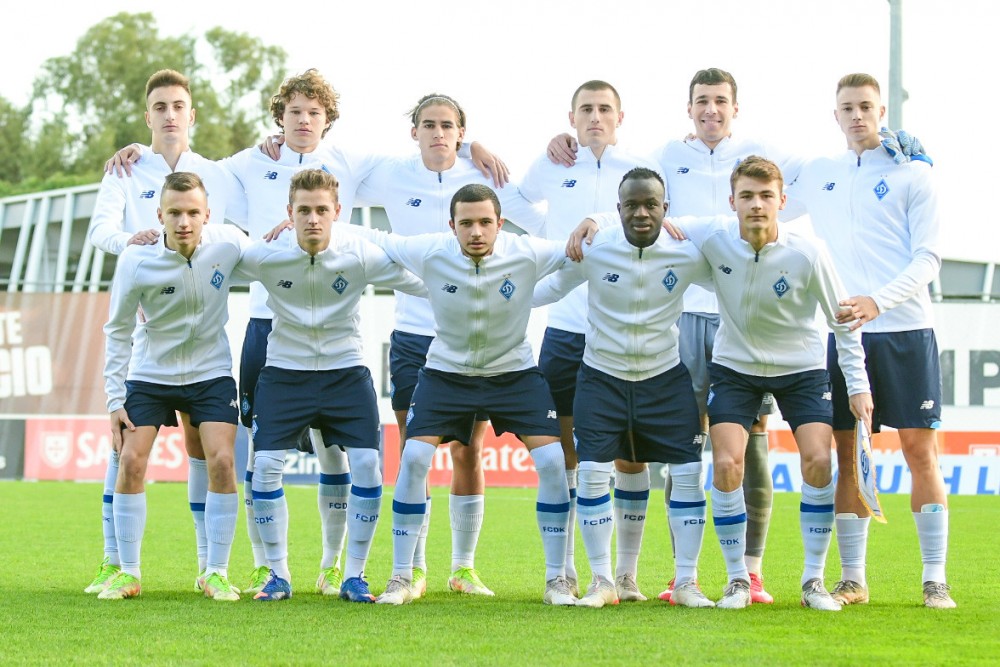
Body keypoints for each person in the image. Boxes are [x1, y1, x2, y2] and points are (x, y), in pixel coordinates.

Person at [548, 67, 796, 604]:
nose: (711, 109)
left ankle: (729, 573)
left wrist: (889, 147)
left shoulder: (758, 157)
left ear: (735, 107)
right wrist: (593, 216)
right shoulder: (662, 160)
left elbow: (813, 182)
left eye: (720, 101)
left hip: (720, 334)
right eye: (702, 100)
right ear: (689, 107)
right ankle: (617, 578)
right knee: (615, 466)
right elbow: (628, 189)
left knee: (736, 447)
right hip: (654, 341)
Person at [341, 184, 574, 605]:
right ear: (452, 226)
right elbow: (379, 238)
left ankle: (557, 579)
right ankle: (401, 576)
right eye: (466, 223)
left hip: (514, 374)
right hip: (446, 374)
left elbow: (579, 249)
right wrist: (320, 225)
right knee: (414, 457)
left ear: (501, 224)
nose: (476, 232)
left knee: (553, 461)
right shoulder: (432, 250)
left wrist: (595, 223)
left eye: (485, 222)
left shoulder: (527, 251)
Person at [351, 93, 545, 597]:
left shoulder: (483, 175)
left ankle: (463, 567)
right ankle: (412, 568)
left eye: (448, 125)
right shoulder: (391, 173)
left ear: (462, 132)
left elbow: (539, 224)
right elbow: (333, 176)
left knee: (468, 450)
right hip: (415, 336)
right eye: (428, 124)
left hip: (475, 340)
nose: (438, 133)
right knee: (415, 450)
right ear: (413, 131)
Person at [664, 156, 873, 610]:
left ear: (782, 200)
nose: (756, 204)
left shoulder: (807, 252)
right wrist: (594, 222)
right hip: (735, 367)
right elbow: (651, 219)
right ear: (732, 202)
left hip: (800, 370)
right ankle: (738, 580)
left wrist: (859, 386)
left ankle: (813, 581)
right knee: (726, 464)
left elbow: (842, 320)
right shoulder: (715, 238)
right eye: (747, 196)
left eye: (765, 196)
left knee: (819, 460)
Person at [784, 73, 953, 609]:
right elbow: (758, 196)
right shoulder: (819, 173)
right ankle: (853, 578)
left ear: (882, 112)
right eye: (847, 108)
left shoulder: (913, 172)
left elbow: (929, 258)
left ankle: (935, 579)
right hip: (846, 336)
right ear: (834, 115)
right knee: (850, 455)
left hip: (906, 331)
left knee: (920, 452)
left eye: (865, 106)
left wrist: (879, 300)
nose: (856, 115)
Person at [84, 69, 243, 596]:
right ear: (148, 116)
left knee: (209, 453)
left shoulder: (218, 173)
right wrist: (138, 244)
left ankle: (210, 566)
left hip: (204, 350)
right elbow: (101, 230)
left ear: (191, 115)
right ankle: (116, 563)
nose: (170, 114)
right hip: (148, 317)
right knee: (125, 455)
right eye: (160, 106)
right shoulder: (126, 169)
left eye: (178, 106)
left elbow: (251, 222)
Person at [234, 169, 426, 603]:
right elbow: (209, 260)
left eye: (322, 210)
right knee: (264, 466)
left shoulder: (359, 254)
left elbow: (421, 282)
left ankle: (353, 576)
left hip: (346, 373)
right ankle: (278, 575)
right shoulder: (267, 255)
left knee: (367, 466)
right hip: (284, 373)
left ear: (337, 211)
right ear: (289, 213)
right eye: (304, 210)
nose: (313, 219)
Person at [532, 168, 714, 608]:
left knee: (687, 475)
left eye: (650, 204)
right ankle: (602, 580)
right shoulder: (596, 250)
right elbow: (548, 288)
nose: (641, 213)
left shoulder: (687, 253)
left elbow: (734, 277)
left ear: (665, 208)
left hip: (665, 378)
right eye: (631, 205)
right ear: (617, 211)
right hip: (601, 376)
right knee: (594, 473)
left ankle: (686, 582)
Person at [518, 82, 662, 600]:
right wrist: (551, 233)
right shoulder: (554, 163)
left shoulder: (642, 166)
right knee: (565, 452)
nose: (595, 117)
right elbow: (513, 198)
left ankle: (625, 573)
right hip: (565, 326)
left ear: (621, 116)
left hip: (625, 331)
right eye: (586, 109)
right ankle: (566, 570)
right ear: (571, 116)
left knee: (631, 453)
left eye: (604, 109)